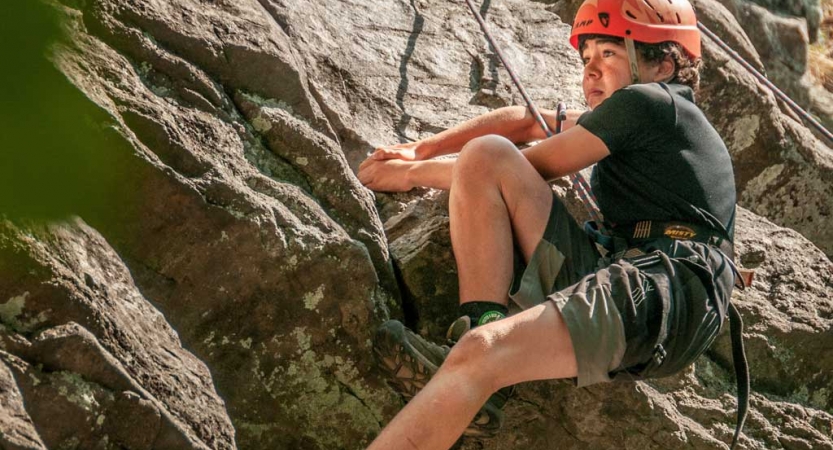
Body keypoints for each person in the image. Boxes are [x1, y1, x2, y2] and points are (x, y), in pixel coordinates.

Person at [358, 0, 739, 448]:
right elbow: (525, 123)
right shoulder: (641, 116)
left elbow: (535, 162)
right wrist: (422, 148)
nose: (591, 70)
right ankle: (479, 324)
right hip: (636, 279)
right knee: (486, 157)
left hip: (665, 285)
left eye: (609, 53)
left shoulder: (651, 102)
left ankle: (476, 351)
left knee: (482, 353)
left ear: (663, 65)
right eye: (586, 57)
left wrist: (409, 174)